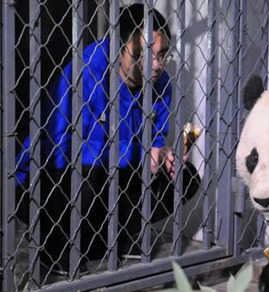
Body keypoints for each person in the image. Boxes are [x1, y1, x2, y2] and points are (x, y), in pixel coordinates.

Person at [15, 4, 200, 276]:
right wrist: (139, 152)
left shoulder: (162, 84)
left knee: (187, 177)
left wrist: (163, 157)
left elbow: (156, 140)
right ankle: (55, 247)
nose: (156, 65)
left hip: (112, 177)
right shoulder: (86, 71)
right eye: (142, 54)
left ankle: (109, 240)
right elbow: (60, 147)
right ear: (117, 48)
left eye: (162, 55)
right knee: (92, 167)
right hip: (47, 179)